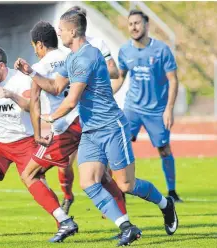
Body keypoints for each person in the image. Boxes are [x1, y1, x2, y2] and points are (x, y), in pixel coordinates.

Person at [15, 10, 178, 246]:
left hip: (112, 127)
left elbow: (71, 101)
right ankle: (126, 226)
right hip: (90, 131)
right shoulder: (71, 57)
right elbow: (55, 86)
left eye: (61, 29)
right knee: (88, 182)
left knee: (126, 185)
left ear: (72, 31)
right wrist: (31, 72)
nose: (58, 32)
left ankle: (166, 204)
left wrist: (49, 118)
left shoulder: (87, 57)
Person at [21, 21, 126, 242]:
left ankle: (64, 221)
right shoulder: (69, 55)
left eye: (34, 46)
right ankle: (124, 223)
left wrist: (39, 133)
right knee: (102, 176)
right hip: (86, 120)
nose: (34, 50)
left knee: (30, 174)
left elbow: (35, 103)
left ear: (39, 44)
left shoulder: (39, 68)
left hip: (66, 127)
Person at [0, 46, 72, 243]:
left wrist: (10, 95)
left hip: (24, 141)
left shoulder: (20, 79)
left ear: (1, 66)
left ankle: (64, 221)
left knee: (35, 181)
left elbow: (31, 106)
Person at [56, 5, 123, 214]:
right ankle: (67, 197)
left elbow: (114, 71)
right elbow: (58, 83)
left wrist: (93, 73)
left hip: (94, 114)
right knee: (64, 162)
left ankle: (118, 208)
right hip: (71, 115)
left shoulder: (96, 45)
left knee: (108, 175)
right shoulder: (67, 50)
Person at [112, 9, 182, 202]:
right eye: (130, 24)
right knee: (118, 144)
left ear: (146, 25)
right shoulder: (125, 50)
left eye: (137, 23)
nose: (134, 27)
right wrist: (106, 95)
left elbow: (173, 80)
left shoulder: (161, 50)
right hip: (132, 107)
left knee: (164, 149)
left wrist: (169, 109)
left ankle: (173, 192)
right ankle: (119, 190)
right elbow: (120, 78)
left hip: (157, 110)